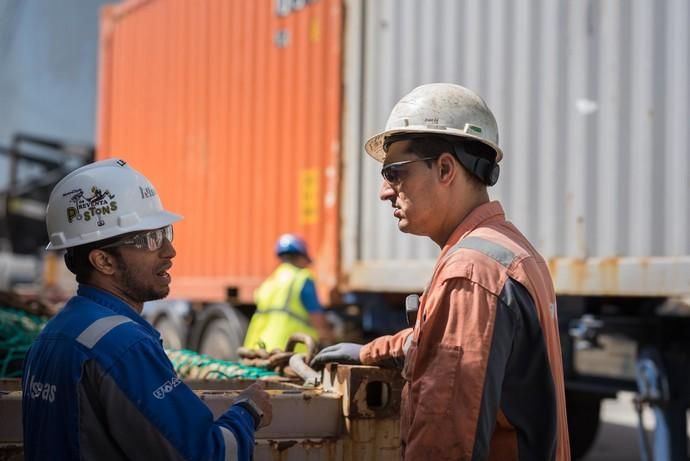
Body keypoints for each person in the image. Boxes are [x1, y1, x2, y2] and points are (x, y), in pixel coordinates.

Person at [312, 83, 570, 460]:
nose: (386, 191)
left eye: (395, 173)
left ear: (446, 169)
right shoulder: (510, 251)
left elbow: (446, 441)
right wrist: (372, 352)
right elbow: (446, 344)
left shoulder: (471, 273)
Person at [22, 159, 272, 461]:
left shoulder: (54, 334)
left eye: (165, 232)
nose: (169, 251)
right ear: (104, 261)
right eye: (149, 239)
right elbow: (205, 455)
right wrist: (247, 411)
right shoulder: (122, 346)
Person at [243, 234, 333, 353]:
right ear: (301, 257)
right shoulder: (302, 279)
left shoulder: (269, 283)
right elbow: (317, 319)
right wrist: (331, 338)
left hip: (260, 348)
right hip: (289, 351)